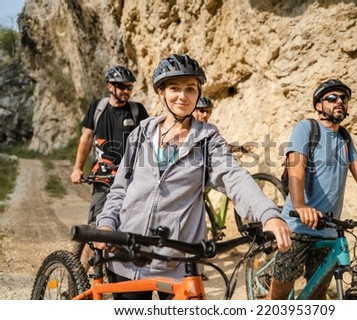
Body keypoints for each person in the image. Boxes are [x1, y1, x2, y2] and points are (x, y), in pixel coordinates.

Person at [94, 54, 292, 300]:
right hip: (126, 255)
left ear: (198, 94)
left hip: (177, 263)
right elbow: (120, 189)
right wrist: (106, 224)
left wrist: (267, 214)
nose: (183, 96)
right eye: (175, 88)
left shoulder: (207, 140)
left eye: (190, 89)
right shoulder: (140, 134)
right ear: (161, 92)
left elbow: (234, 176)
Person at [267, 79, 357, 300]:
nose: (339, 101)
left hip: (328, 229)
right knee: (279, 297)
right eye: (332, 97)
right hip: (298, 226)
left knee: (317, 296)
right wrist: (300, 205)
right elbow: (295, 167)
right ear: (319, 105)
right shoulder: (307, 128)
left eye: (343, 98)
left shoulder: (345, 138)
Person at [70, 66, 149, 224]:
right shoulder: (98, 107)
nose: (126, 91)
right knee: (95, 226)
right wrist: (77, 168)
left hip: (130, 179)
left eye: (129, 87)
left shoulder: (137, 110)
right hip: (103, 178)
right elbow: (86, 137)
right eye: (121, 86)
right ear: (109, 86)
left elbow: (147, 143)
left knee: (130, 225)